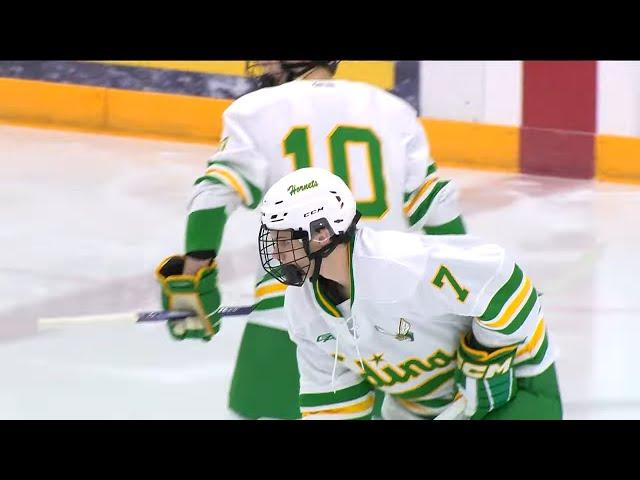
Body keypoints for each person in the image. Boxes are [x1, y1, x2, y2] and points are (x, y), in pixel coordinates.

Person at [155, 61, 467, 419]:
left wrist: (193, 277)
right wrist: (464, 301)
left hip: (292, 320)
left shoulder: (257, 110)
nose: (264, 65)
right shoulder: (396, 112)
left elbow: (214, 193)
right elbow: (438, 206)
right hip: (394, 331)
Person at [257, 167, 563, 420]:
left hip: (515, 387)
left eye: (285, 242)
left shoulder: (399, 265)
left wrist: (488, 352)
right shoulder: (303, 308)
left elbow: (504, 281)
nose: (278, 255)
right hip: (419, 407)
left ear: (322, 234)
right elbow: (334, 404)